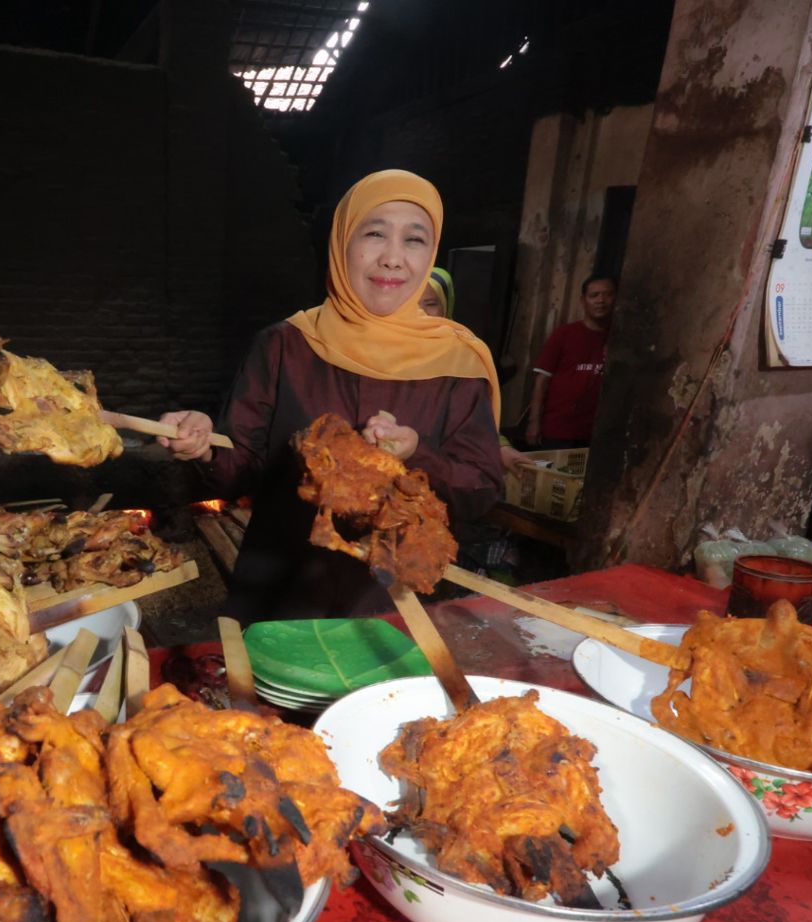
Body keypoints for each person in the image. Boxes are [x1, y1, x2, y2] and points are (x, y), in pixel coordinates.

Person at [157, 169, 504, 622]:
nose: (393, 259)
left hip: (388, 604)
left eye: (414, 240)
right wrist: (202, 445)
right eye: (375, 233)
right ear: (342, 243)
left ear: (432, 252)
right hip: (279, 594)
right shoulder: (286, 344)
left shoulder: (459, 363)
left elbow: (482, 490)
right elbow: (240, 465)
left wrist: (419, 454)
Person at [523, 275, 616, 447]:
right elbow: (542, 381)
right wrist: (533, 423)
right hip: (559, 429)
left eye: (607, 294)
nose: (601, 300)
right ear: (583, 300)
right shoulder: (564, 335)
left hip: (600, 432)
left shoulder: (621, 339)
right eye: (594, 295)